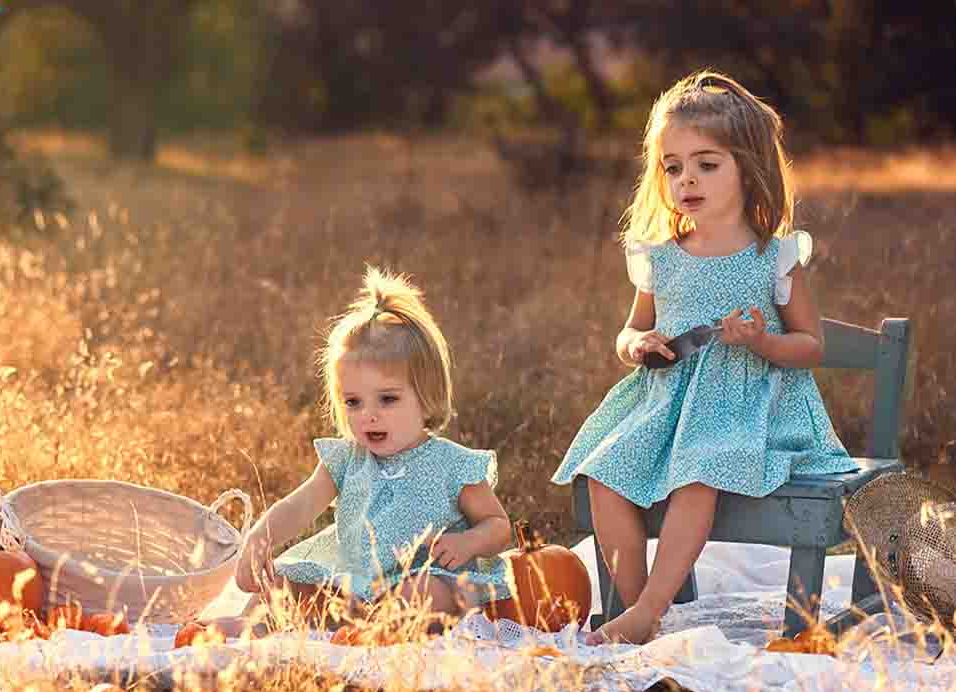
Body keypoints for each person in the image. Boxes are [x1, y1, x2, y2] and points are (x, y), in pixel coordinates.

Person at [551, 70, 858, 646]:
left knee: (699, 471)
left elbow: (810, 344)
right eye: (673, 167)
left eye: (706, 164)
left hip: (751, 408)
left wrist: (761, 342)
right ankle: (640, 603)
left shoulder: (774, 258)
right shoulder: (661, 260)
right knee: (603, 472)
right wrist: (636, 345)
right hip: (666, 404)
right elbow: (629, 331)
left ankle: (649, 610)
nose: (686, 179)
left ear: (749, 168)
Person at [181, 267, 513, 643]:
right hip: (353, 584)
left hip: (432, 581)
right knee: (288, 580)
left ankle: (380, 630)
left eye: (387, 399)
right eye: (353, 402)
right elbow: (299, 506)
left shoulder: (453, 465)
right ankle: (257, 626)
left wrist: (468, 543)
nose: (368, 414)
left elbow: (498, 526)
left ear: (427, 396)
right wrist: (259, 541)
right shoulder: (345, 460)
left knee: (416, 593)